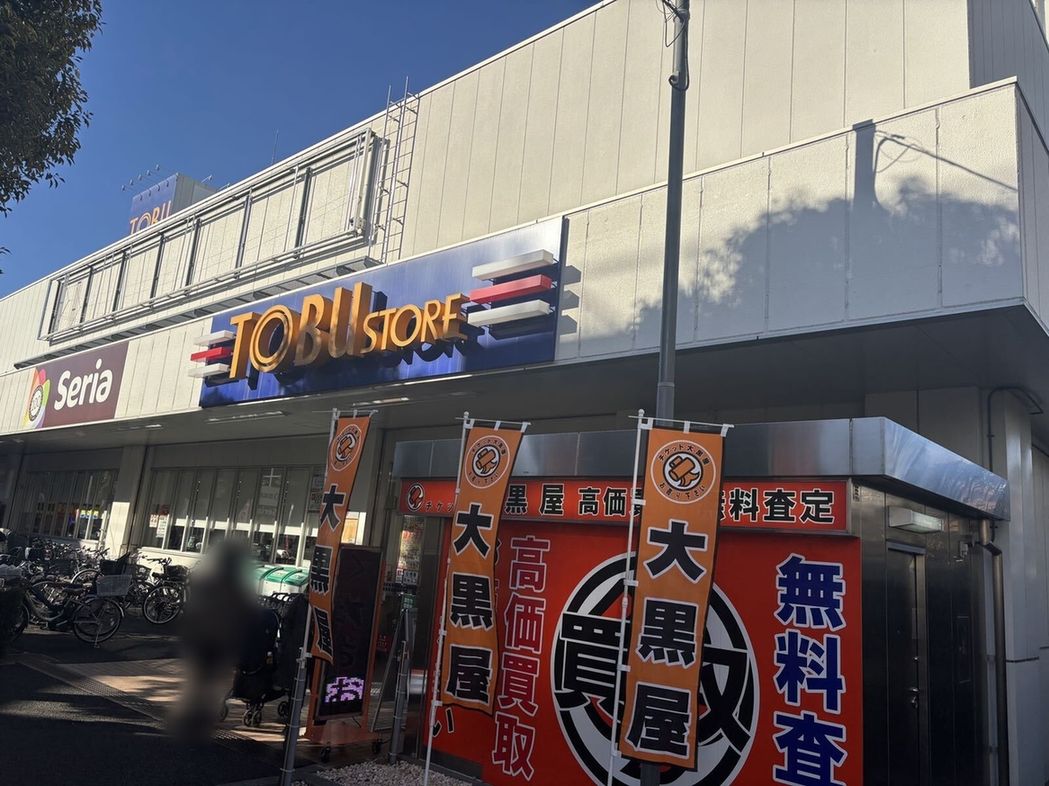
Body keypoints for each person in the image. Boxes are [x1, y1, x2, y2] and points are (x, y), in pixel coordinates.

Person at [171, 539, 255, 741]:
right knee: (209, 679)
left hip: (204, 638)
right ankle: (201, 714)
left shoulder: (207, 582)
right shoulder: (237, 588)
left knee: (201, 678)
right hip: (220, 640)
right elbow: (244, 616)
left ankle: (193, 712)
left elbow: (194, 610)